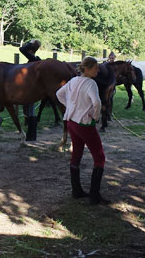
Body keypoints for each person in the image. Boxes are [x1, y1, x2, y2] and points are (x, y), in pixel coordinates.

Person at [56, 56, 110, 205]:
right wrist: (95, 116)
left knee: (77, 154)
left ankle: (77, 191)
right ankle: (94, 196)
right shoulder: (90, 83)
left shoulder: (73, 81)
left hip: (72, 122)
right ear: (86, 68)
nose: (98, 70)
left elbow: (59, 94)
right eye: (95, 68)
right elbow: (97, 102)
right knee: (100, 157)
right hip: (85, 124)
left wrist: (72, 107)